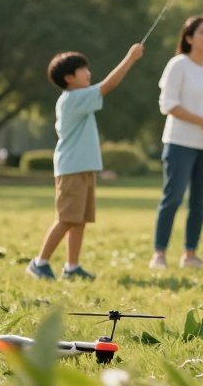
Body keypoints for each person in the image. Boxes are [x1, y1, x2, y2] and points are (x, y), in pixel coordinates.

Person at [27, 43, 145, 280]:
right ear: (69, 78)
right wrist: (130, 58)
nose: (88, 72)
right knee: (66, 219)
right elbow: (108, 85)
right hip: (71, 170)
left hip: (82, 169)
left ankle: (72, 267)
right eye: (83, 69)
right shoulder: (73, 99)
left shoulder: (79, 98)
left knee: (79, 221)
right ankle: (39, 263)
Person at [150, 16, 203, 270]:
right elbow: (168, 105)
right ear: (189, 37)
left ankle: (190, 255)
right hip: (179, 142)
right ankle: (159, 254)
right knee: (172, 198)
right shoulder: (178, 65)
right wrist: (201, 122)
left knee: (199, 202)